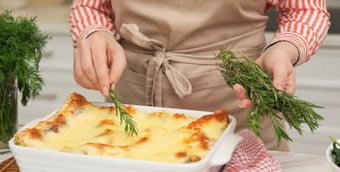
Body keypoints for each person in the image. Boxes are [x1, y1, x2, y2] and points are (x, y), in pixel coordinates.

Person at [69, 0, 330, 151]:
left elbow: (306, 9)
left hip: (239, 119)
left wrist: (283, 48)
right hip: (132, 117)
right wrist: (93, 33)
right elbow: (90, 6)